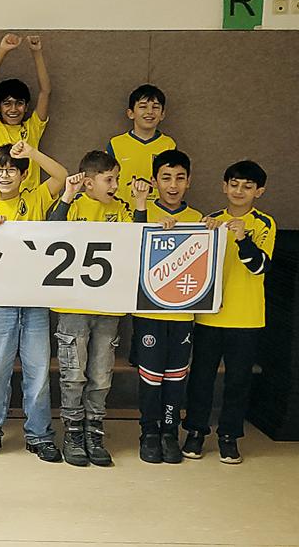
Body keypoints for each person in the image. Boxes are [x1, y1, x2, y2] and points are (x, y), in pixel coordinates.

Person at [0, 140, 70, 463]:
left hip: (36, 300)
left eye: (11, 170)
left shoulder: (36, 198)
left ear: (24, 175)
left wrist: (32, 154)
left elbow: (61, 175)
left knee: (38, 371)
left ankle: (40, 435)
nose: (4, 175)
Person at [183, 160, 275, 464]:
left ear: (259, 191)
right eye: (234, 184)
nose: (239, 191)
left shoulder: (264, 223)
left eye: (247, 186)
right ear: (224, 187)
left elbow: (260, 266)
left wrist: (242, 238)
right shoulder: (210, 220)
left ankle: (229, 437)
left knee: (237, 381)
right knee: (201, 378)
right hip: (209, 315)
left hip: (247, 317)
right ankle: (195, 432)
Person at [49, 150, 135, 467]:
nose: (115, 185)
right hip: (74, 305)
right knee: (74, 372)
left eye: (117, 179)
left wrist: (141, 206)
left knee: (100, 373)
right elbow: (49, 233)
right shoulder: (72, 205)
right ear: (88, 182)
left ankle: (94, 430)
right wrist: (67, 196)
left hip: (108, 307)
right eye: (109, 179)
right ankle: (72, 432)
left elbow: (137, 240)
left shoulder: (122, 208)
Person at [129, 149, 201, 464]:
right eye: (166, 178)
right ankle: (149, 432)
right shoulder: (142, 212)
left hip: (183, 313)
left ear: (189, 181)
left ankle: (170, 432)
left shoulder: (199, 219)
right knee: (151, 375)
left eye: (180, 178)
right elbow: (130, 248)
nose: (173, 185)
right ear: (155, 181)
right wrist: (146, 218)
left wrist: (211, 230)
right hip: (149, 312)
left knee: (175, 375)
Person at [0, 33, 51, 205]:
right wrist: (2, 50)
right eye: (7, 103)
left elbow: (45, 91)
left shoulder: (33, 128)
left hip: (28, 206)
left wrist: (37, 52)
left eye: (19, 103)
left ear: (26, 107)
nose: (13, 109)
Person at [108, 84, 176, 206]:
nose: (150, 112)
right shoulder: (116, 144)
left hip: (158, 212)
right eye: (143, 107)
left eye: (155, 107)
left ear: (162, 114)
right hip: (123, 212)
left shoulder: (168, 144)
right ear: (131, 113)